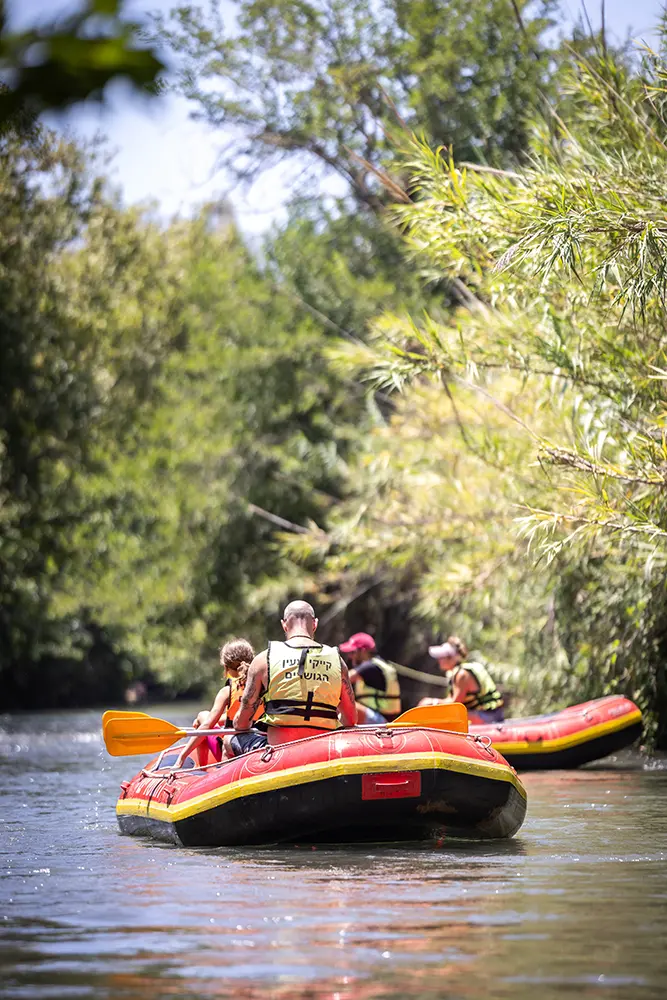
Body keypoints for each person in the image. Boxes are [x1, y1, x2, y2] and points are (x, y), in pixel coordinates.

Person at [229, 599, 357, 755]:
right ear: (315, 624)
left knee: (229, 740)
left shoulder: (263, 660)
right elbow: (351, 719)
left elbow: (242, 724)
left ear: (284, 625)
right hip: (323, 750)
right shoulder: (337, 661)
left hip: (278, 750)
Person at [174, 638, 261, 768]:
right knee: (206, 717)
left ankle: (202, 768)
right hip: (259, 742)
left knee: (202, 717)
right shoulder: (263, 684)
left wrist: (182, 757)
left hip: (233, 748)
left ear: (226, 667)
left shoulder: (227, 691)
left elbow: (207, 725)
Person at [422, 636, 504, 724]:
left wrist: (432, 703)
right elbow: (450, 699)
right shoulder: (458, 672)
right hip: (490, 714)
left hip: (488, 716)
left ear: (451, 658)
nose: (439, 660)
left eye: (442, 657)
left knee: (447, 717)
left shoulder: (462, 675)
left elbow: (455, 704)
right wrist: (434, 703)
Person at [339, 632, 402, 723]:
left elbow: (340, 680)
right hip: (384, 719)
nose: (350, 656)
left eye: (353, 652)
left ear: (363, 651)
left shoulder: (370, 667)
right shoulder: (378, 665)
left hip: (381, 721)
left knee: (344, 705)